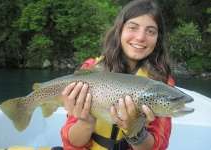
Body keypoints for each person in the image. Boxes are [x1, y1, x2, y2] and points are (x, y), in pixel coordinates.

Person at [60, 0, 175, 149]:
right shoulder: (91, 69)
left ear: (158, 38)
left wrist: (136, 133)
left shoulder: (162, 83)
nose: (141, 37)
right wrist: (86, 122)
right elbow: (72, 143)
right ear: (119, 30)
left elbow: (159, 145)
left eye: (151, 31)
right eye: (133, 27)